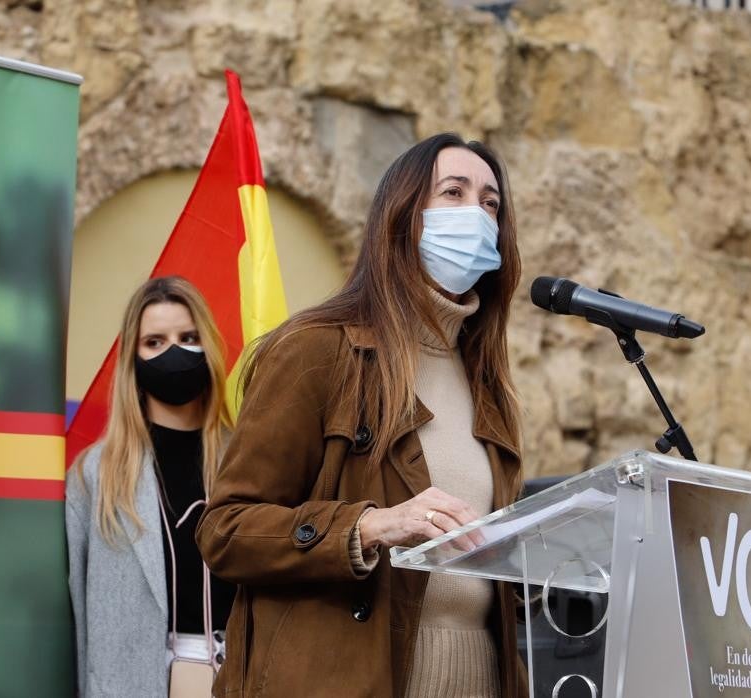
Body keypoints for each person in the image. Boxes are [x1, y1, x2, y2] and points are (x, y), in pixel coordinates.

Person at [197, 133, 526, 698]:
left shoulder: (488, 382)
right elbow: (226, 530)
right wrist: (368, 526)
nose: (477, 213)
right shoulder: (316, 349)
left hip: (480, 677)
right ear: (402, 215)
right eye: (454, 192)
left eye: (491, 203)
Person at [67, 276, 237, 697]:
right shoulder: (96, 473)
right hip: (132, 682)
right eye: (155, 342)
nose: (174, 352)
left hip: (239, 677)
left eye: (188, 337)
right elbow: (75, 608)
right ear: (134, 358)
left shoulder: (248, 459)